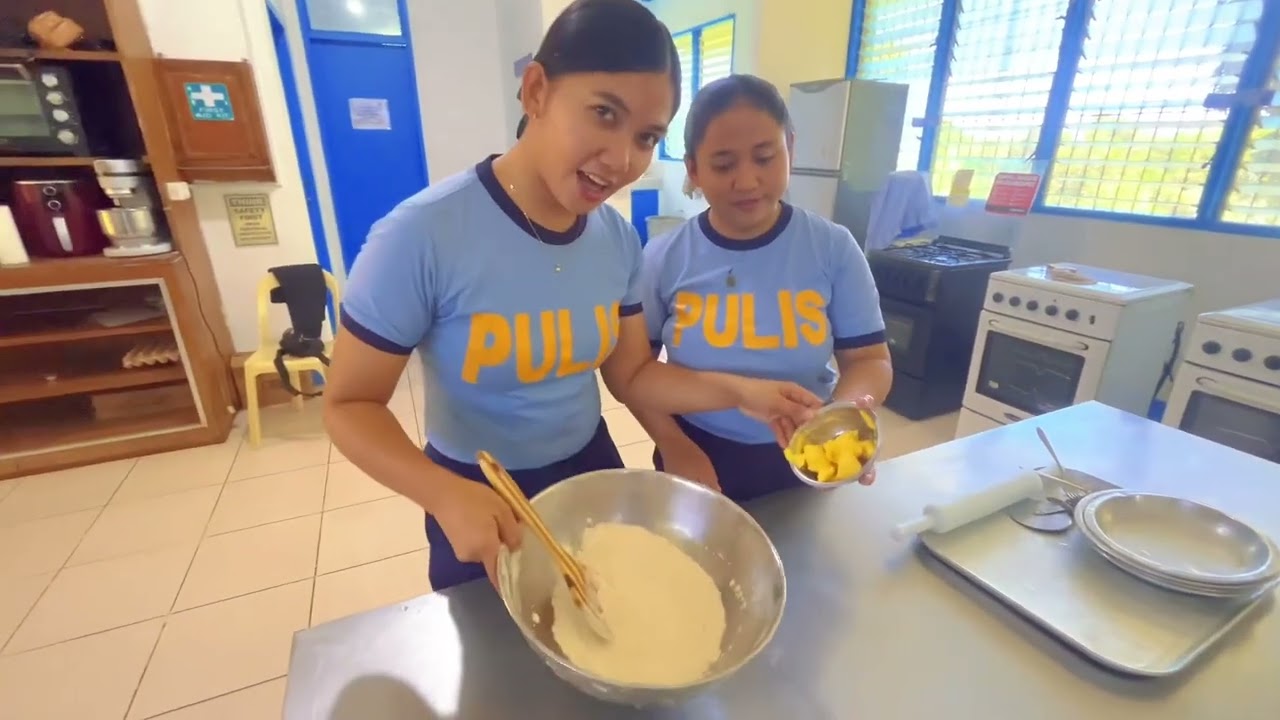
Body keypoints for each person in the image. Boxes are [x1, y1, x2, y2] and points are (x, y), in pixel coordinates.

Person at [323, 1, 822, 591]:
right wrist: (442, 494)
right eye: (603, 113)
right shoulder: (423, 234)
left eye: (646, 137)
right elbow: (349, 406)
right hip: (478, 488)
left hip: (589, 469)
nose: (622, 159)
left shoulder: (614, 240)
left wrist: (740, 392)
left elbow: (632, 372)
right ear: (536, 91)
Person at [635, 74, 894, 503]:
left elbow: (869, 359)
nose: (748, 181)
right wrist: (673, 444)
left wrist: (847, 416)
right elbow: (634, 375)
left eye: (764, 157)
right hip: (697, 450)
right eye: (723, 165)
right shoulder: (664, 257)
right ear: (694, 170)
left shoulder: (832, 247)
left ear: (790, 148)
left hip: (801, 456)